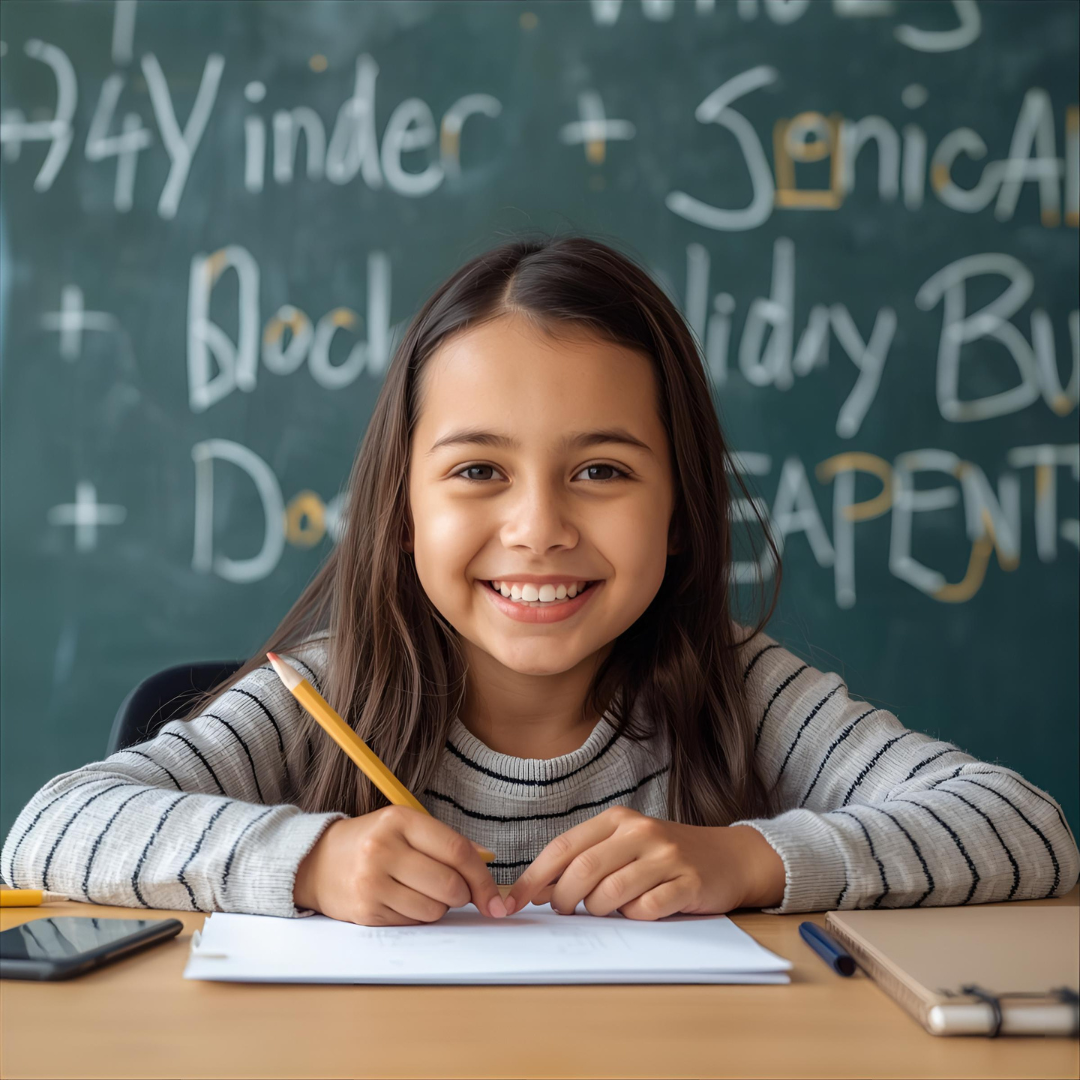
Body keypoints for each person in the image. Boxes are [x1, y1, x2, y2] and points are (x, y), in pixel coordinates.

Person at [4, 235, 1077, 926]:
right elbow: (51, 829)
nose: (538, 527)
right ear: (404, 507)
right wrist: (312, 860)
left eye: (601, 471)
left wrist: (752, 860)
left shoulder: (740, 691)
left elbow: (1026, 826)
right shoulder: (326, 696)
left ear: (678, 508)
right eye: (478, 471)